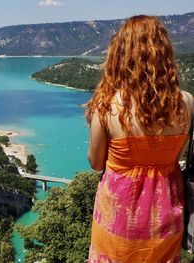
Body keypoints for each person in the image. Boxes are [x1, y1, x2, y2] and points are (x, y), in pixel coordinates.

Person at [85, 15, 194, 262]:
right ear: (165, 53)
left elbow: (96, 163)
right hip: (166, 211)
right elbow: (175, 157)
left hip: (118, 214)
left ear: (120, 54)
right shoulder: (187, 103)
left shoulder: (107, 106)